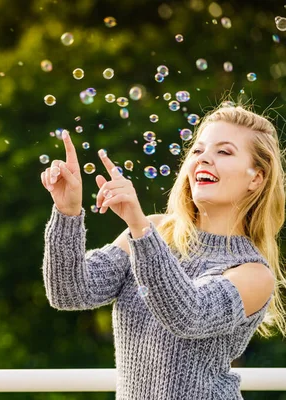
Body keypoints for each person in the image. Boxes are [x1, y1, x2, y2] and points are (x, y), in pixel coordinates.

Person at [41, 104, 286, 399]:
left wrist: (139, 228)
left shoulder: (253, 273)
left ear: (256, 178)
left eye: (224, 152)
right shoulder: (156, 232)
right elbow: (70, 292)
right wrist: (67, 212)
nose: (204, 158)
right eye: (197, 151)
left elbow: (187, 313)